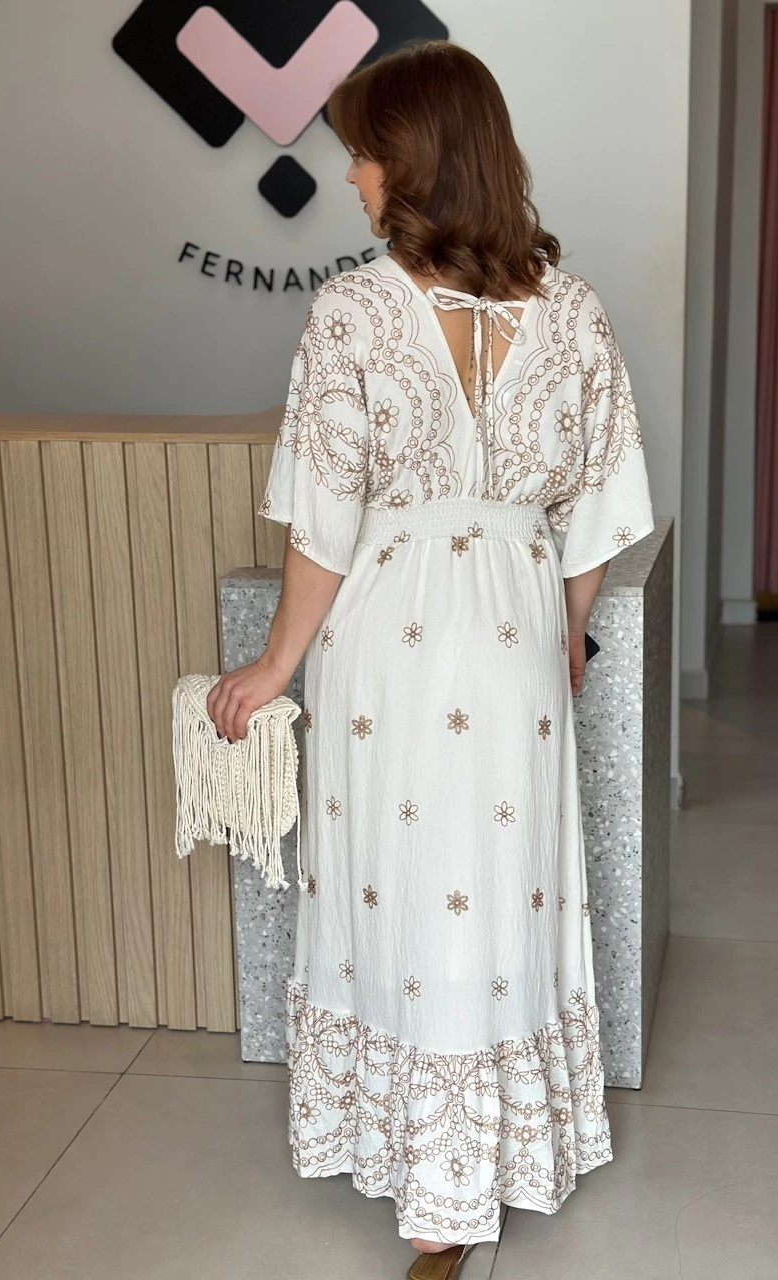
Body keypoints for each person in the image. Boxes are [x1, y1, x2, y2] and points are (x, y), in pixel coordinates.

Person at [207, 39, 653, 1280]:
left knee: (396, 883)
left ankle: (430, 1179)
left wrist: (275, 665)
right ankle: (488, 1155)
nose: (350, 174)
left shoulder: (351, 311)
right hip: (514, 633)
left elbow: (324, 526)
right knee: (505, 883)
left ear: (407, 160)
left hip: (390, 641)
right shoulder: (574, 310)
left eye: (360, 151)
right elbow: (600, 512)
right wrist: (562, 631)